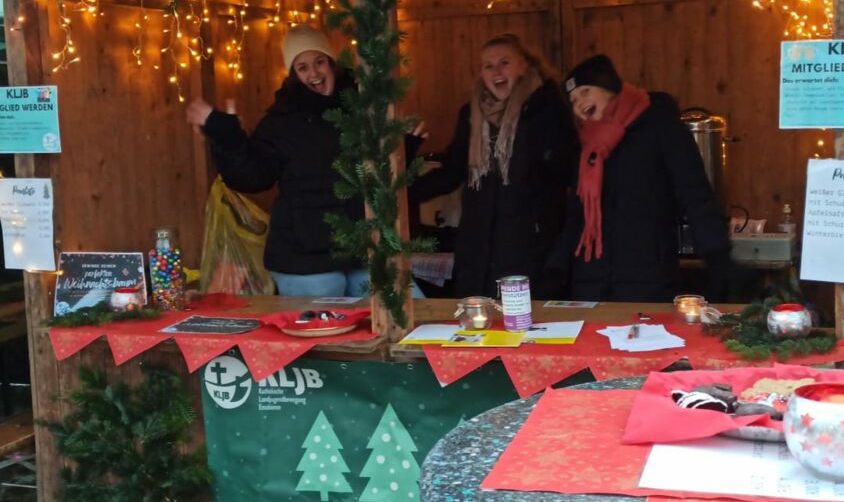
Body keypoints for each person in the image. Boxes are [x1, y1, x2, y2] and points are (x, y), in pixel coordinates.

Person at [186, 26, 368, 299]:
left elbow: (382, 170)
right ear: (294, 74)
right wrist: (226, 133)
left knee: (404, 320)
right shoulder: (283, 120)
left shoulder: (362, 109)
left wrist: (407, 146)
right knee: (324, 335)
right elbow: (252, 175)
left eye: (319, 62)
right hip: (305, 257)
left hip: (362, 250)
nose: (314, 74)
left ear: (332, 64)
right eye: (303, 67)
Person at [547, 54, 730, 301]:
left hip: (649, 281)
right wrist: (555, 270)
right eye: (573, 100)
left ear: (609, 88)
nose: (579, 104)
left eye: (586, 91)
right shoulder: (587, 147)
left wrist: (718, 259)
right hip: (592, 285)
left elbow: (695, 196)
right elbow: (576, 217)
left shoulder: (661, 127)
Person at [410, 33, 575, 297]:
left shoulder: (548, 108)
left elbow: (564, 171)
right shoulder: (471, 114)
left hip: (530, 246)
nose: (496, 71)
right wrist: (401, 190)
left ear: (524, 66)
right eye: (488, 66)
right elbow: (453, 171)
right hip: (479, 248)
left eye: (504, 63)